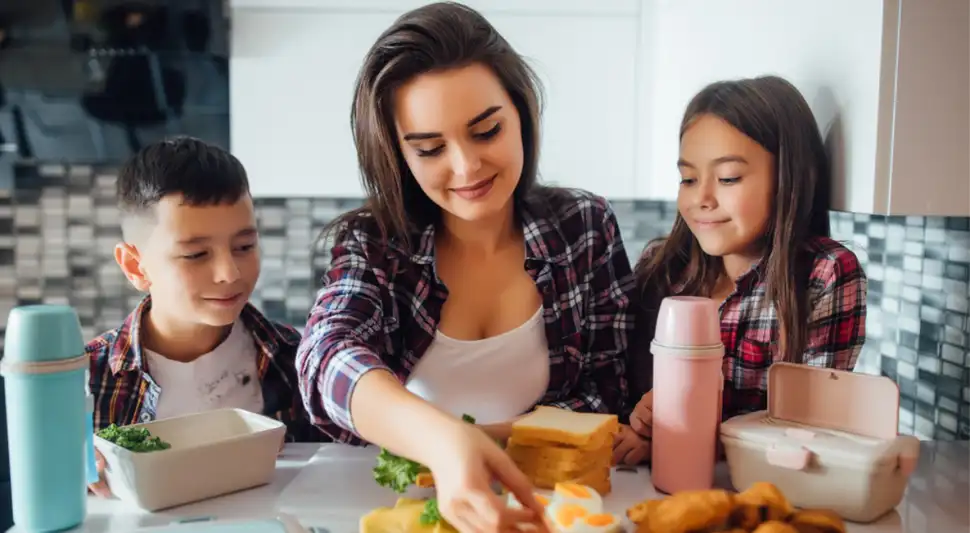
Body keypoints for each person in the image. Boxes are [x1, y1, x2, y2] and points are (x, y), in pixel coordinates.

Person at [296, 2, 637, 531]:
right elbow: (326, 357)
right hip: (404, 510)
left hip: (546, 508)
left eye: (486, 132)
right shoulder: (375, 245)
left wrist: (488, 442)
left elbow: (605, 387)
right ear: (399, 157)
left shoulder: (583, 226)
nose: (466, 166)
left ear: (521, 113)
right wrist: (444, 441)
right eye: (430, 148)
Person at [627, 76, 868, 453]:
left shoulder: (823, 275)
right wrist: (640, 426)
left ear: (789, 178)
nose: (701, 198)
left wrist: (688, 431)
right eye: (688, 178)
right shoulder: (663, 270)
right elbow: (626, 389)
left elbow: (809, 430)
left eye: (728, 178)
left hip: (758, 490)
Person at [87, 137, 326, 497]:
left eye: (244, 247)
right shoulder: (85, 379)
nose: (229, 273)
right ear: (136, 266)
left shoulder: (300, 360)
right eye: (196, 254)